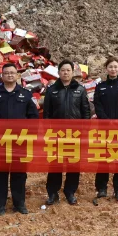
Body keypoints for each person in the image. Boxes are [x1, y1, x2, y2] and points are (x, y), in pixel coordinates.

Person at [0, 63, 39, 215]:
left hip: (20, 141)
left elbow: (33, 117)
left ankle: (19, 204)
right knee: (0, 173)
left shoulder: (26, 94)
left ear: (17, 75)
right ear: (2, 76)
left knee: (19, 172)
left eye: (12, 73)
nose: (10, 75)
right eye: (6, 73)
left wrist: (31, 136)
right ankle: (0, 205)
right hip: (0, 140)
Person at [43, 60, 92, 206]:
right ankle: (52, 193)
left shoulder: (80, 90)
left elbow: (86, 112)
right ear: (58, 73)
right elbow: (47, 114)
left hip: (75, 135)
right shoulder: (52, 90)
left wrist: (85, 132)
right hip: (56, 135)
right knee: (55, 165)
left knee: (73, 165)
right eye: (63, 70)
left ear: (72, 72)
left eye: (68, 70)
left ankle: (70, 192)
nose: (65, 73)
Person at [93, 57, 118, 202]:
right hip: (104, 129)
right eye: (110, 67)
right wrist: (106, 121)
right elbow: (97, 105)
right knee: (103, 159)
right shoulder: (100, 87)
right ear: (106, 69)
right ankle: (102, 189)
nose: (113, 69)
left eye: (115, 67)